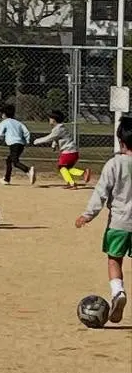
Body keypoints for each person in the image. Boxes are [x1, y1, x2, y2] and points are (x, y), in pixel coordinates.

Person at [74, 116, 132, 324]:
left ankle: (118, 292)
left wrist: (88, 214)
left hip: (119, 223)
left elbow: (101, 192)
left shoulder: (114, 164)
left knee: (114, 259)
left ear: (120, 141)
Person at [34, 109, 90, 188]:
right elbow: (57, 138)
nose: (49, 120)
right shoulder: (60, 128)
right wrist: (54, 145)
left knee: (62, 168)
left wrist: (37, 141)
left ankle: (73, 183)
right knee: (67, 169)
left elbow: (49, 138)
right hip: (73, 152)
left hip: (68, 152)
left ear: (54, 120)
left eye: (50, 118)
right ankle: (80, 174)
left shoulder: (58, 129)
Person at [0, 101, 35, 186]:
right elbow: (26, 132)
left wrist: (2, 137)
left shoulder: (4, 122)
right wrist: (27, 141)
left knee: (15, 162)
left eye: (2, 114)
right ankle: (6, 179)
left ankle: (28, 170)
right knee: (9, 160)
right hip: (21, 144)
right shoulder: (18, 123)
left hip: (13, 144)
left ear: (4, 114)